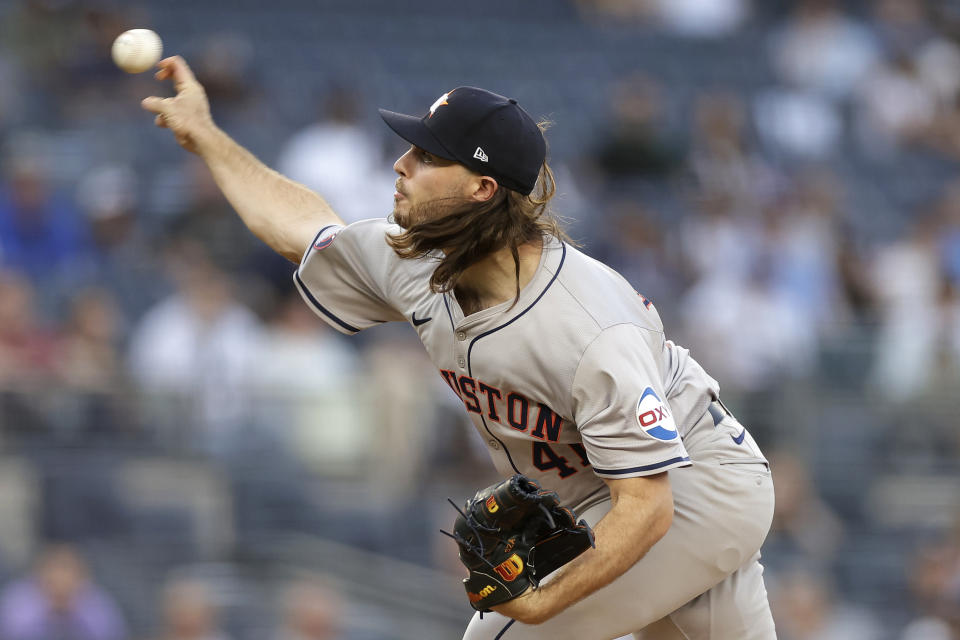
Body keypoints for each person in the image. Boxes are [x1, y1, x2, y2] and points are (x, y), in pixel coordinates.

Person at [142, 56, 776, 639]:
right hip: (610, 489)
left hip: (692, 485)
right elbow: (301, 228)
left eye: (427, 155)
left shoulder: (589, 328)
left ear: (483, 188)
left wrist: (541, 603)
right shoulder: (421, 264)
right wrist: (207, 138)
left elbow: (647, 506)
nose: (401, 165)